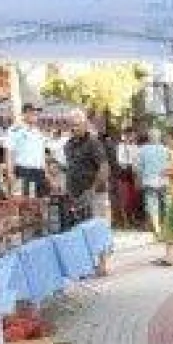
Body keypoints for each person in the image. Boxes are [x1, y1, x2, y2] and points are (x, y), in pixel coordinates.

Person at [63, 110, 111, 274]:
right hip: (76, 194)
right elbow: (70, 168)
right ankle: (87, 265)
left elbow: (104, 168)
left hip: (94, 192)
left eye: (77, 124)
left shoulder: (93, 143)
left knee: (97, 228)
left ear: (84, 125)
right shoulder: (68, 145)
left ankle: (103, 264)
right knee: (82, 230)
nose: (74, 128)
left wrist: (93, 189)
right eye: (71, 125)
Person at [2, 106, 49, 197]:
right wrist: (10, 173)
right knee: (24, 201)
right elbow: (9, 152)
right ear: (24, 114)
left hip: (38, 172)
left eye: (36, 113)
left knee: (37, 201)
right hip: (23, 171)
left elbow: (42, 155)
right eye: (31, 113)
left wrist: (46, 173)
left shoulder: (39, 133)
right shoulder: (15, 130)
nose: (35, 115)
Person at [136, 129, 171, 242]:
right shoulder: (166, 150)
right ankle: (168, 228)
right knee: (166, 204)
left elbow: (138, 168)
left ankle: (157, 230)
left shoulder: (142, 150)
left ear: (149, 138)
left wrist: (139, 180)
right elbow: (170, 165)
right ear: (159, 137)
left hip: (149, 180)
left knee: (152, 205)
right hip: (164, 180)